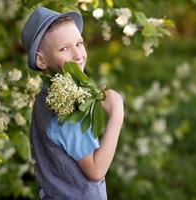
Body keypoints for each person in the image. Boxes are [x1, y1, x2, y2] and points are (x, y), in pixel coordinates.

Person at [21, 7, 124, 200]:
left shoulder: (45, 97)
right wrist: (117, 113)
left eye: (79, 43)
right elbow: (95, 170)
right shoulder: (66, 106)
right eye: (64, 48)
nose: (78, 55)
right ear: (41, 61)